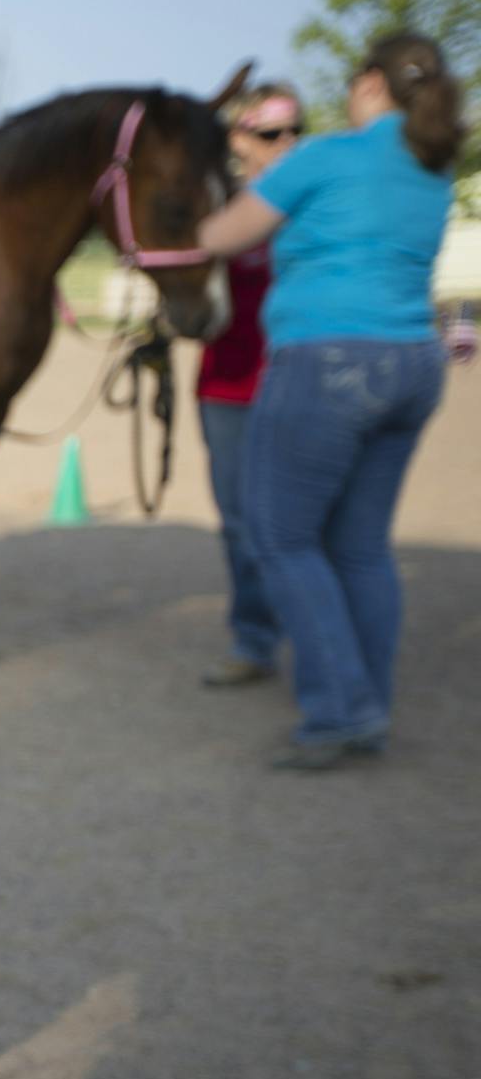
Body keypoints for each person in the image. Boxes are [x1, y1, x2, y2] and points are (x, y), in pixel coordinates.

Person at [196, 33, 463, 770]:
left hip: (327, 360)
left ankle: (339, 711)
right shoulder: (431, 166)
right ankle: (367, 704)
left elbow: (223, 234)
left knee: (281, 538)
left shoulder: (324, 158)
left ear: (371, 82)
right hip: (414, 363)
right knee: (360, 547)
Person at [194, 82, 306, 689]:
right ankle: (255, 640)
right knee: (240, 523)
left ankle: (319, 646)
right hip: (228, 387)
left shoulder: (315, 200)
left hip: (302, 382)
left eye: (295, 130)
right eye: (270, 133)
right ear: (240, 139)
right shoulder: (219, 208)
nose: (286, 143)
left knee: (304, 524)